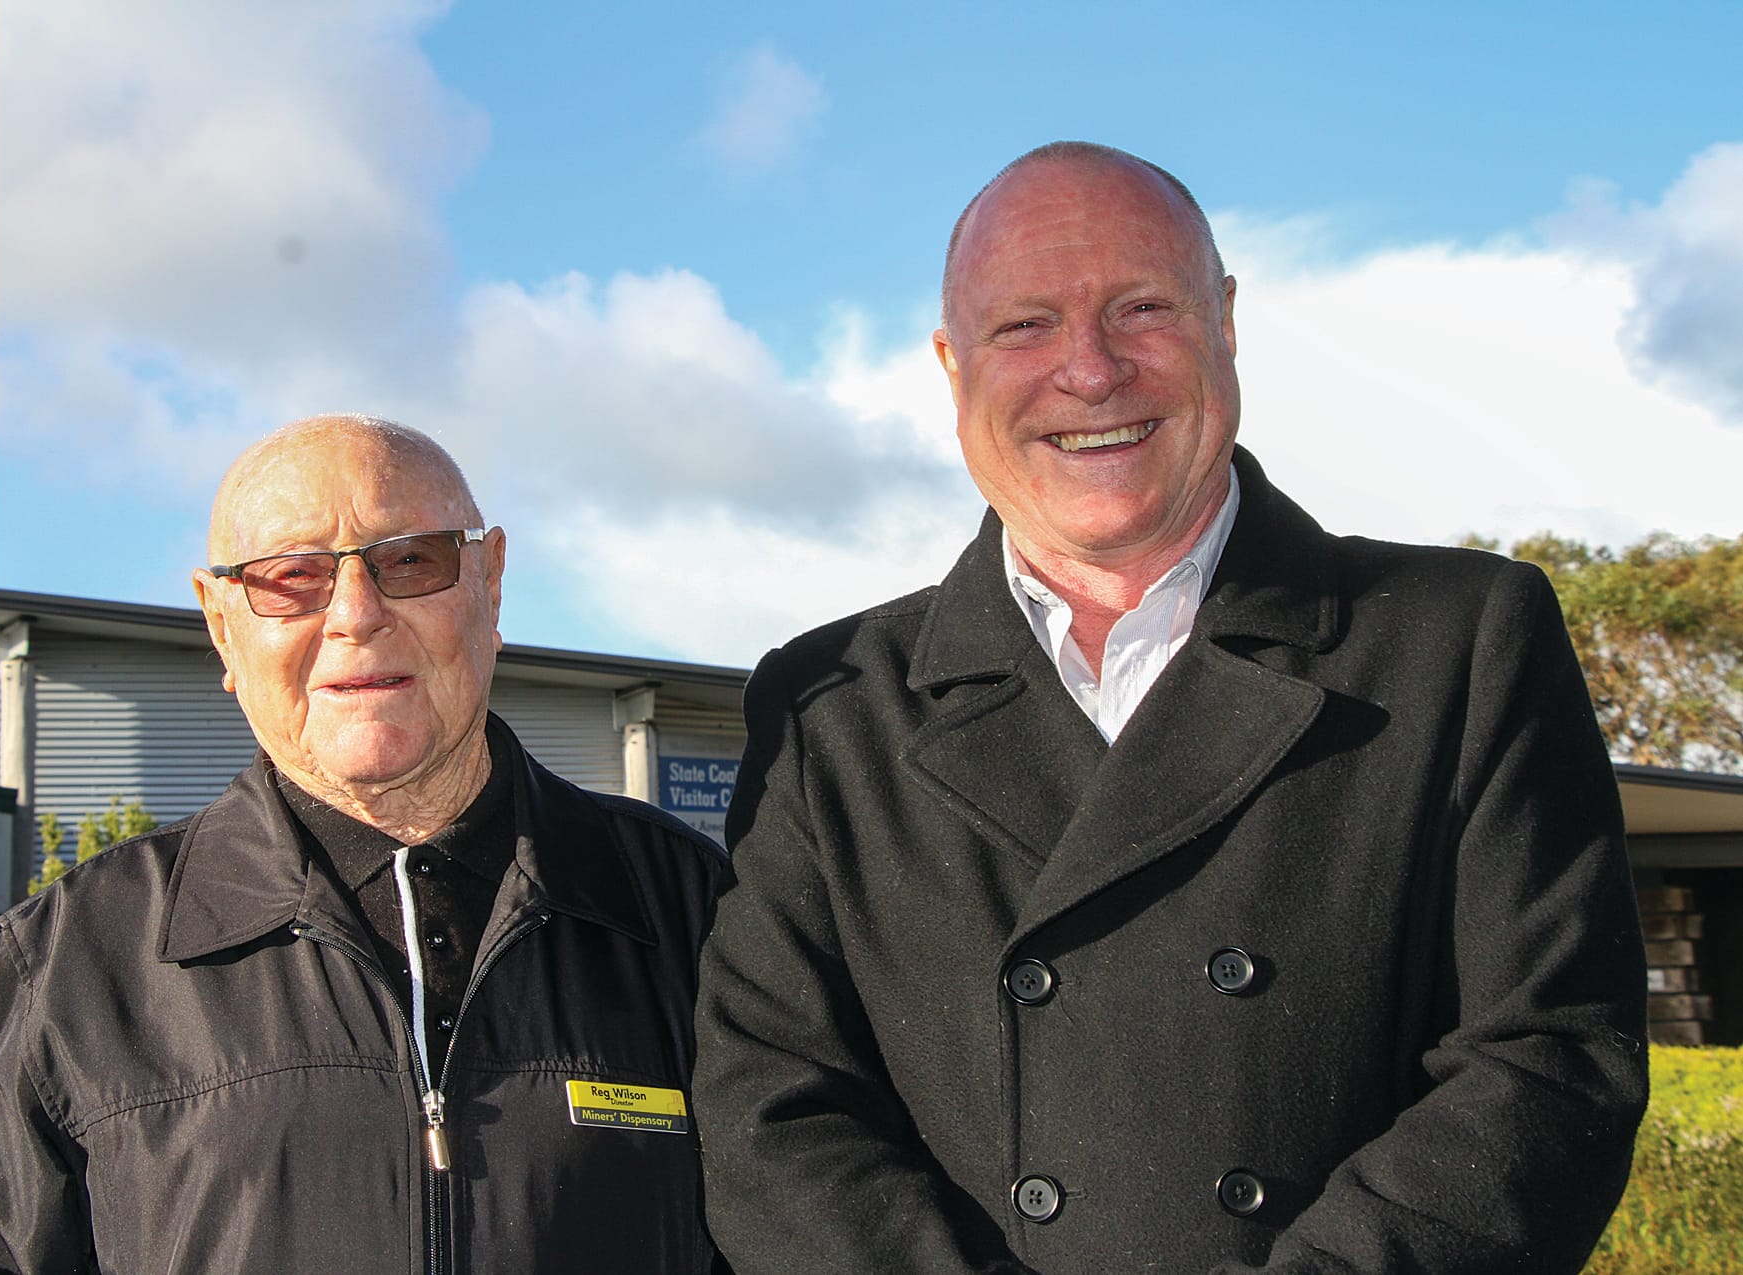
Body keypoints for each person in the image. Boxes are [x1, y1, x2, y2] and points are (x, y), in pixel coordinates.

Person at [692, 143, 1649, 1273]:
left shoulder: (1461, 639)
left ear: (1224, 321)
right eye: (1025, 326)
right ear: (953, 365)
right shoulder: (827, 706)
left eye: (1141, 308)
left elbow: (1547, 1059)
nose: (1089, 372)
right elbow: (772, 1111)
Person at [0, 415, 729, 1274]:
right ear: (221, 623)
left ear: (490, 582)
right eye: (290, 577)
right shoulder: (63, 966)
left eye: (409, 560)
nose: (356, 614)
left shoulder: (694, 914)